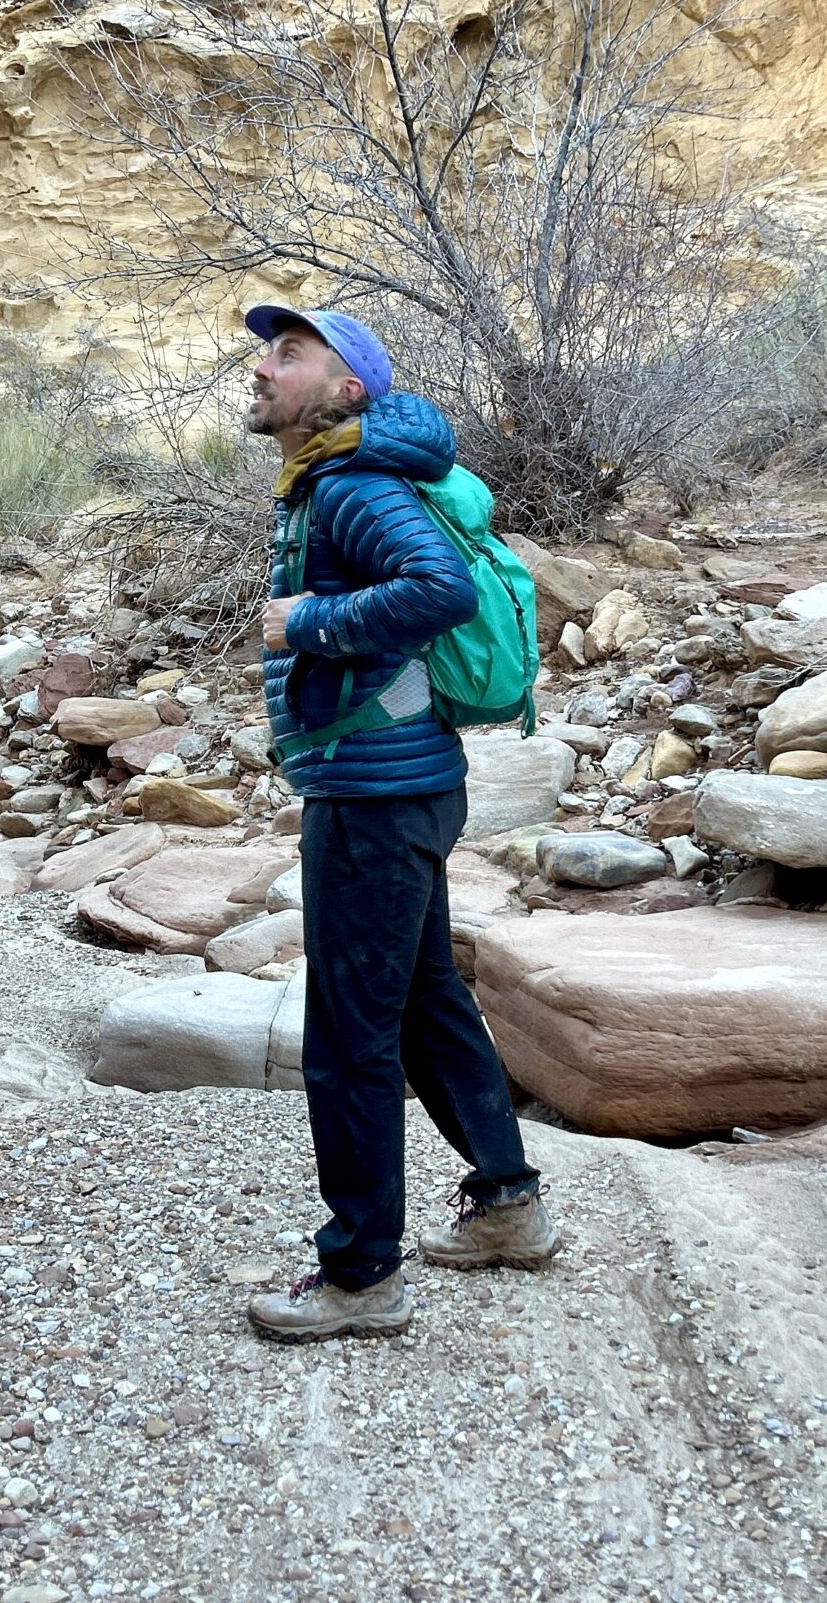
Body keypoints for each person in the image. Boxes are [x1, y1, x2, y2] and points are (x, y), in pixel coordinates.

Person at [239, 305, 560, 1344]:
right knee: (423, 1004)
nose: (263, 368)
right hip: (399, 786)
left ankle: (361, 1273)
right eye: (265, 349)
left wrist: (308, 622)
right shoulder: (333, 480)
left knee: (348, 1039)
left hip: (375, 800)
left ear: (345, 392)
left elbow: (439, 587)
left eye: (289, 355)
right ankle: (507, 1205)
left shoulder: (349, 485)